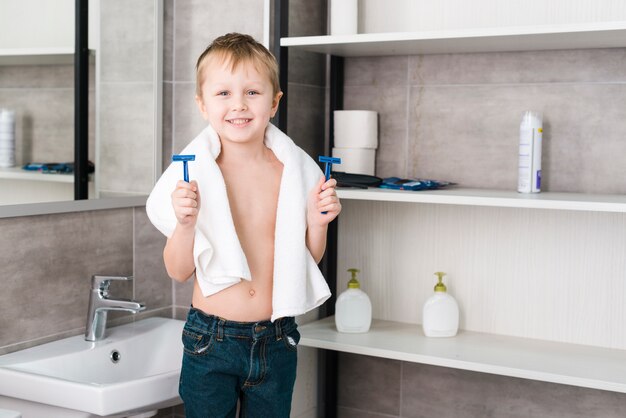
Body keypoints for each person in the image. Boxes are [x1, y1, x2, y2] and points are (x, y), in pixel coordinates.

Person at [146, 33, 341, 417]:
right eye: (223, 94)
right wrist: (185, 225)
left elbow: (306, 259)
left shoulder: (293, 174)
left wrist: (319, 225)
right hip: (211, 339)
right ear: (202, 104)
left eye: (252, 92)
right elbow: (178, 270)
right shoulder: (195, 179)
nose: (238, 105)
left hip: (277, 337)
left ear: (274, 101)